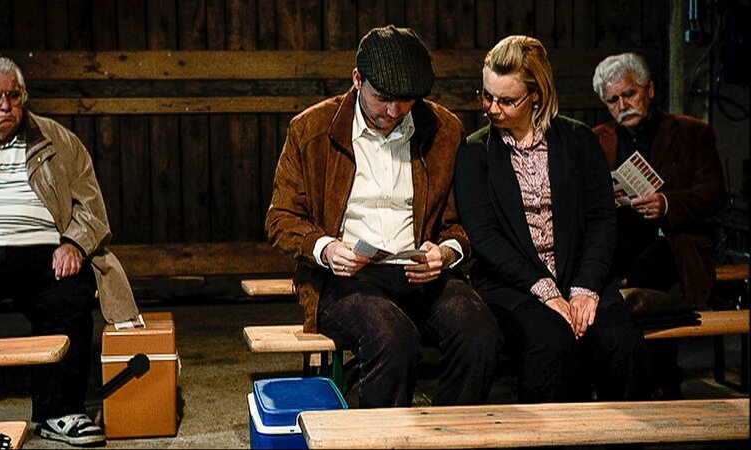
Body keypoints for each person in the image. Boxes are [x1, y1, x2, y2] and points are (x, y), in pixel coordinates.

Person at [266, 25, 501, 408]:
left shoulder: (444, 130)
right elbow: (281, 218)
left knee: (480, 331)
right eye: (384, 99)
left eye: (406, 101)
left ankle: (451, 431)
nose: (394, 112)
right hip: (346, 278)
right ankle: (383, 435)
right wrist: (327, 249)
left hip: (419, 272)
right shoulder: (311, 130)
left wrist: (446, 252)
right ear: (357, 80)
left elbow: (461, 221)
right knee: (393, 338)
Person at [0, 56, 139, 446]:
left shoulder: (58, 140)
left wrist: (73, 243)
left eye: (13, 95)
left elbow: (91, 208)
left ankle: (60, 412)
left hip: (43, 253)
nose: (6, 106)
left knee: (70, 292)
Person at [455, 35, 651, 403]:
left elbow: (601, 219)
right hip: (514, 285)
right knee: (551, 342)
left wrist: (586, 287)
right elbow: (485, 238)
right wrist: (545, 290)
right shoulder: (475, 153)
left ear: (536, 95)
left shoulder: (579, 140)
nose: (493, 108)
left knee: (622, 343)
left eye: (507, 100)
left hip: (580, 276)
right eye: (487, 96)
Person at [592, 52, 727, 399]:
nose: (623, 106)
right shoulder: (599, 138)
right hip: (620, 241)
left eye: (629, 94)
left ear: (649, 90)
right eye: (613, 100)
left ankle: (658, 382)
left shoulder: (692, 132)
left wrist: (667, 203)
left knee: (644, 273)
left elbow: (714, 193)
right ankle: (621, 382)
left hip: (674, 242)